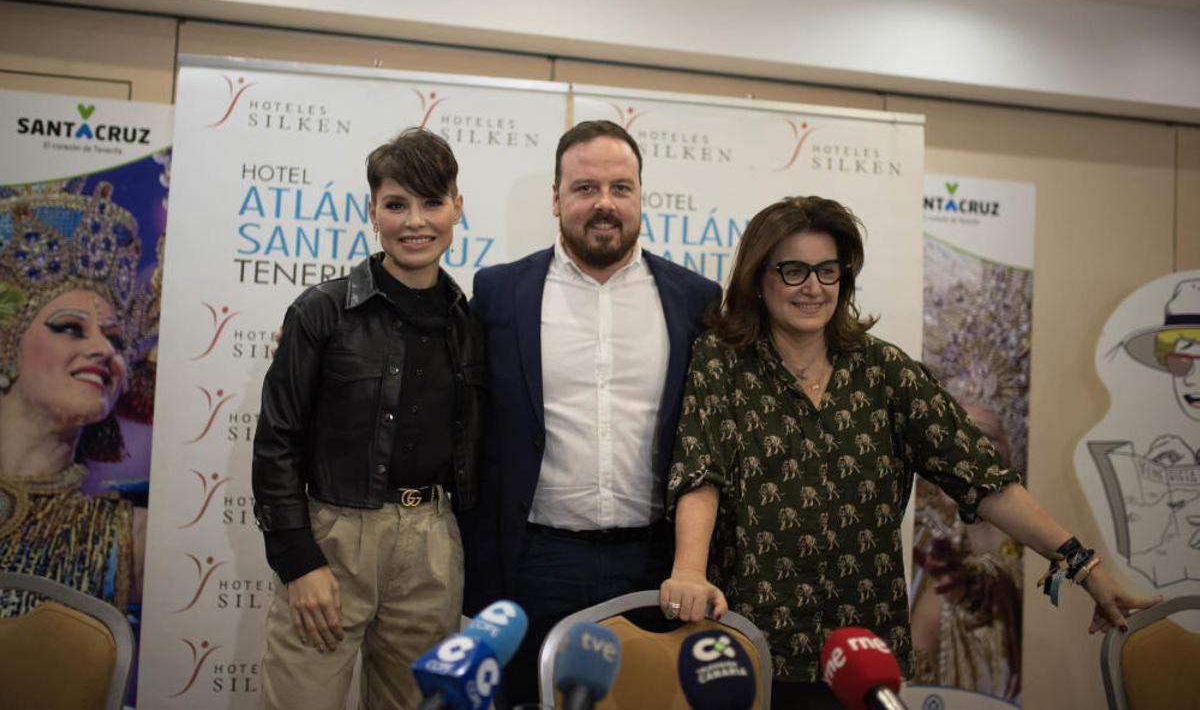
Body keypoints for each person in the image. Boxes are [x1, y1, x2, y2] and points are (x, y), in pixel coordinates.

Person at [659, 195, 1162, 709]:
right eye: (793, 271)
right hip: (751, 648)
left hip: (861, 657)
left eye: (828, 270)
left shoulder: (885, 371)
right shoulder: (722, 363)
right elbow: (701, 472)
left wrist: (1083, 565)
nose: (813, 287)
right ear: (758, 279)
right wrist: (690, 571)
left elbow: (985, 480)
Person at [462, 120, 721, 705]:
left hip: (656, 565)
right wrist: (325, 347)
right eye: (585, 188)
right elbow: (438, 371)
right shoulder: (500, 293)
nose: (605, 203)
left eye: (620, 188)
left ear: (640, 196)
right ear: (556, 199)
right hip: (534, 563)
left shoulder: (695, 300)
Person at [252, 128, 485, 710]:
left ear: (457, 207)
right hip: (334, 536)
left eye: (432, 202)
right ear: (374, 211)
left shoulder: (470, 324)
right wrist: (298, 561)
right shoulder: (321, 311)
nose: (416, 222)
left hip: (433, 542)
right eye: (397, 204)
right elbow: (278, 440)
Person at [0, 182, 151, 617]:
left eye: (115, 339)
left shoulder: (134, 539)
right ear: (7, 345)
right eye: (70, 328)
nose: (104, 350)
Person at [910, 402, 1022, 700]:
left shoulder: (1030, 542)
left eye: (985, 436)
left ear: (1012, 452)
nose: (966, 447)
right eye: (953, 435)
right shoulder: (920, 535)